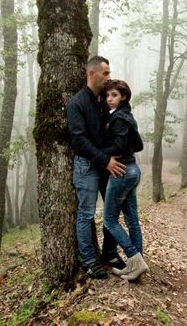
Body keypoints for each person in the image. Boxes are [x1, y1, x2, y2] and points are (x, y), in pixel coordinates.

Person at [67, 56, 127, 279]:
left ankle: (110, 254)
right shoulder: (77, 103)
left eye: (109, 73)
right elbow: (79, 141)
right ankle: (90, 261)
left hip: (106, 163)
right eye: (106, 73)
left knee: (112, 210)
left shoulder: (104, 99)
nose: (109, 77)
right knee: (86, 214)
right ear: (92, 74)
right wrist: (106, 160)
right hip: (87, 166)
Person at [101, 79, 149, 281]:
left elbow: (121, 146)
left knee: (110, 220)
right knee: (131, 220)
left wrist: (101, 153)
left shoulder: (119, 118)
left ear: (124, 97)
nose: (109, 99)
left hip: (121, 172)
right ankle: (136, 265)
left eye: (114, 95)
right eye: (107, 96)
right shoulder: (127, 116)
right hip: (133, 170)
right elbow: (137, 145)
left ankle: (134, 258)